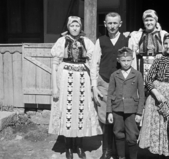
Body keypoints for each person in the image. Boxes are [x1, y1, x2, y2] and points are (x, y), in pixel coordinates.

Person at [48, 16, 102, 159]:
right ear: (68, 27)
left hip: (83, 80)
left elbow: (93, 62)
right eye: (72, 25)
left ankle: (79, 145)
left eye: (77, 25)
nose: (75, 28)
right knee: (67, 111)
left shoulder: (87, 42)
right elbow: (54, 64)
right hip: (65, 79)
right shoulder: (61, 41)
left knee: (81, 111)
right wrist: (55, 87)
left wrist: (93, 84)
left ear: (81, 27)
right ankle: (68, 147)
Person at [91, 12, 135, 159]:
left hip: (121, 83)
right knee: (105, 118)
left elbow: (132, 62)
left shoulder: (127, 40)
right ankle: (107, 150)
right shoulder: (101, 41)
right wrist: (94, 86)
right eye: (109, 23)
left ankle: (119, 152)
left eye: (115, 23)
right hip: (104, 82)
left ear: (120, 24)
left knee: (119, 117)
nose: (112, 26)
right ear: (105, 24)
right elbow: (94, 64)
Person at [106, 47, 145, 159]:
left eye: (128, 60)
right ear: (118, 60)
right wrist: (109, 112)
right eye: (123, 60)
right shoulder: (115, 75)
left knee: (132, 136)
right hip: (117, 109)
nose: (126, 63)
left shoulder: (137, 74)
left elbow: (141, 95)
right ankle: (121, 157)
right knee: (118, 134)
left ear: (132, 59)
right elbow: (110, 94)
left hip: (132, 110)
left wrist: (139, 113)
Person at [128, 9, 167, 80]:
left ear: (156, 21)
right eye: (146, 20)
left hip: (159, 69)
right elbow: (132, 52)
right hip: (142, 68)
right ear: (143, 22)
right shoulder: (138, 35)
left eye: (151, 20)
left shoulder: (163, 35)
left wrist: (162, 54)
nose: (149, 23)